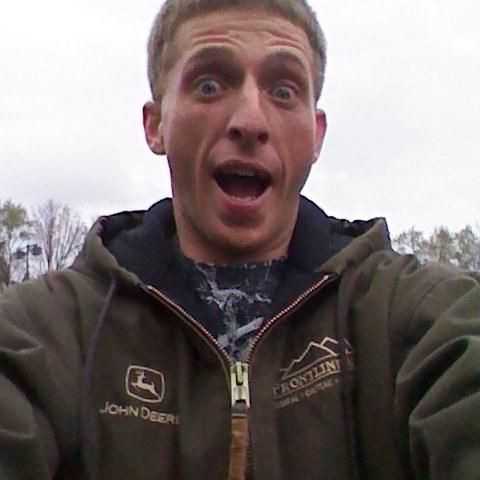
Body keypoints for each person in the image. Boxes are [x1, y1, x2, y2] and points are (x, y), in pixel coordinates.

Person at [1, 0, 479, 478]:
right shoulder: (44, 332)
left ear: (316, 135)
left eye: (284, 91)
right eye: (209, 85)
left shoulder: (415, 317)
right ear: (155, 124)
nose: (250, 121)